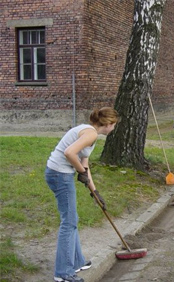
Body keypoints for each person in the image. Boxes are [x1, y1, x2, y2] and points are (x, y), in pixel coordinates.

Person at [45, 107, 119, 282]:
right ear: (108, 124)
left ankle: (77, 261)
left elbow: (84, 165)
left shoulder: (88, 132)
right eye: (114, 125)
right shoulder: (90, 134)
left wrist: (95, 192)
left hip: (61, 174)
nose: (114, 128)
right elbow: (69, 153)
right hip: (59, 175)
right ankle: (63, 273)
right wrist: (80, 171)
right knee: (69, 221)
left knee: (72, 219)